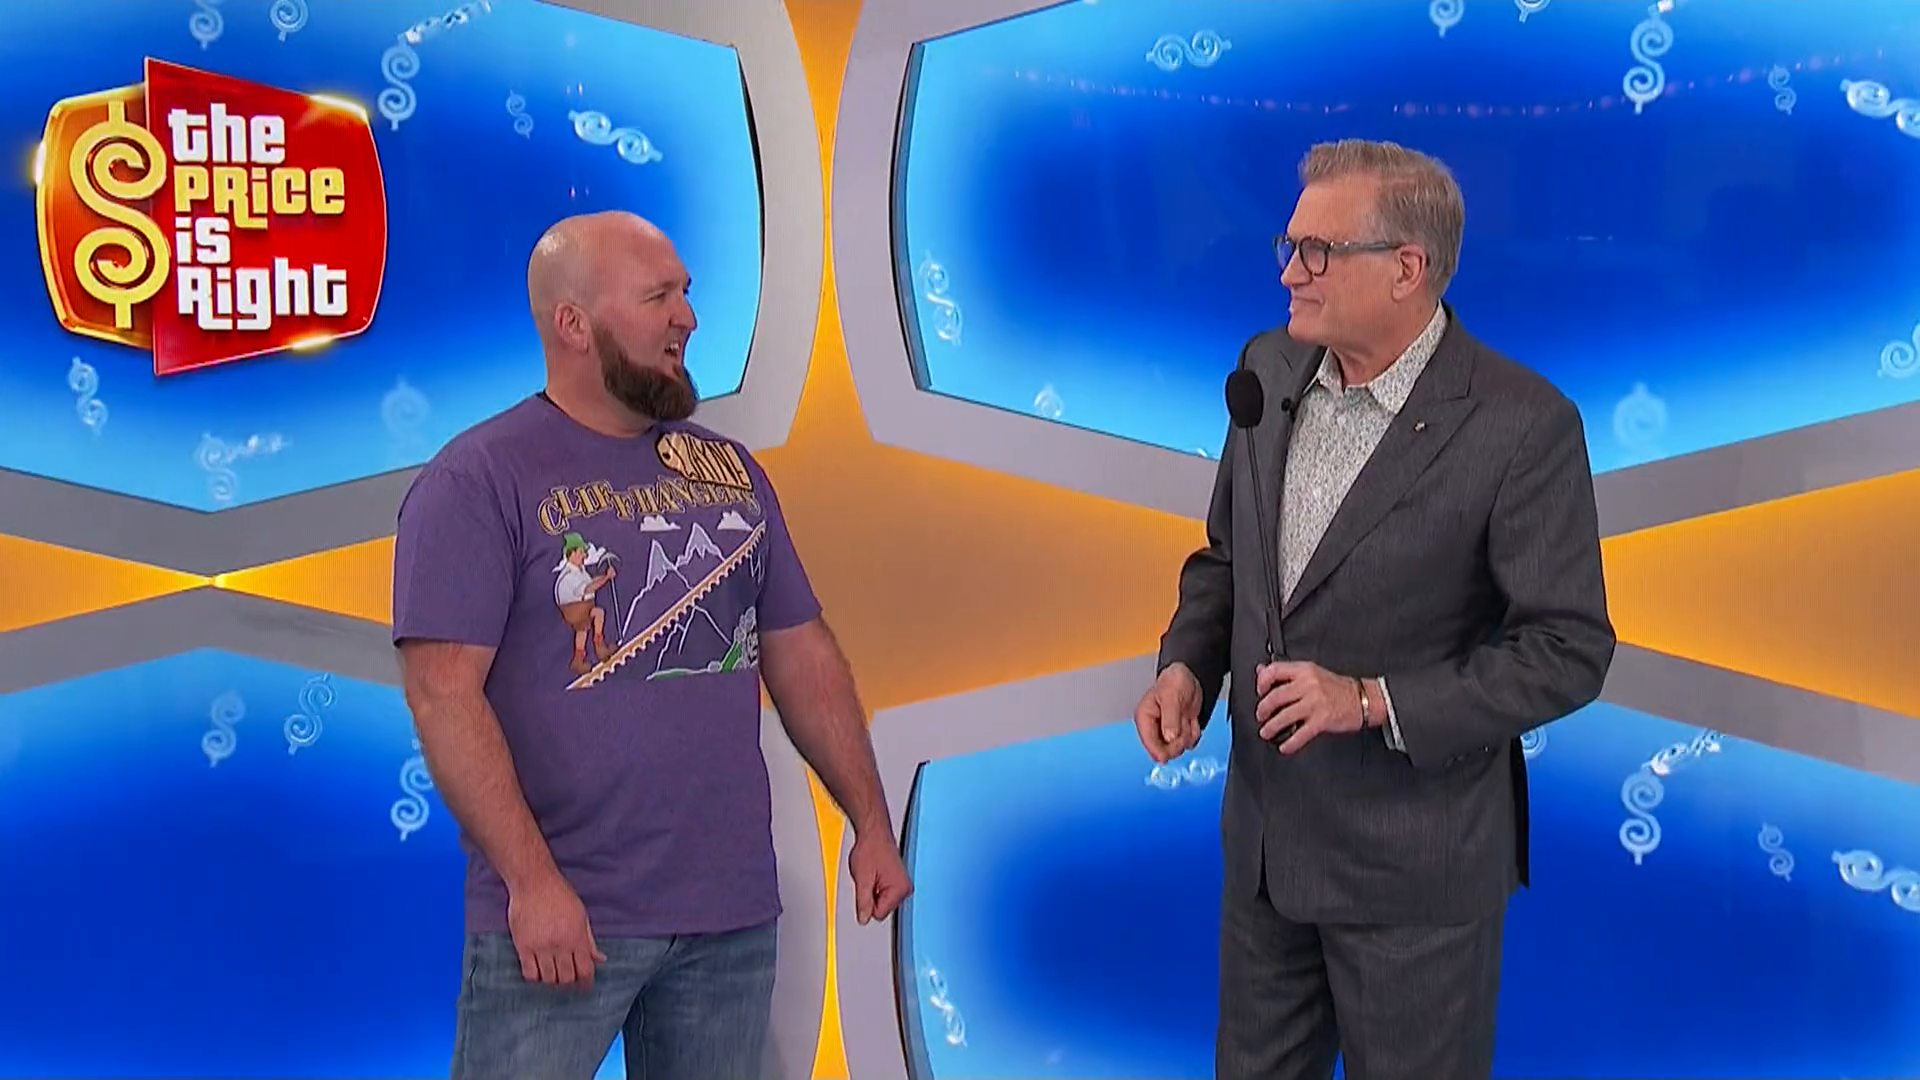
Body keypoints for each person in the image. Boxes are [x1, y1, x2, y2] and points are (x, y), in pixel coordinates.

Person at [1134, 140, 1615, 1080]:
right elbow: (1229, 558)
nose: (1289, 272)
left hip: (1416, 878)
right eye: (1289, 245)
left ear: (1407, 268)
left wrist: (1370, 701)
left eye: (1318, 251)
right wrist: (1186, 665)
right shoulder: (1269, 368)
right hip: (1267, 861)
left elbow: (1568, 648)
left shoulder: (1521, 425)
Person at [392, 210, 912, 1080]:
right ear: (573, 324)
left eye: (687, 294)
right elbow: (444, 694)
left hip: (728, 921)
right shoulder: (476, 480)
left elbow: (800, 652)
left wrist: (870, 822)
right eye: (658, 297)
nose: (688, 318)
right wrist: (532, 884)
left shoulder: (729, 472)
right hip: (562, 921)